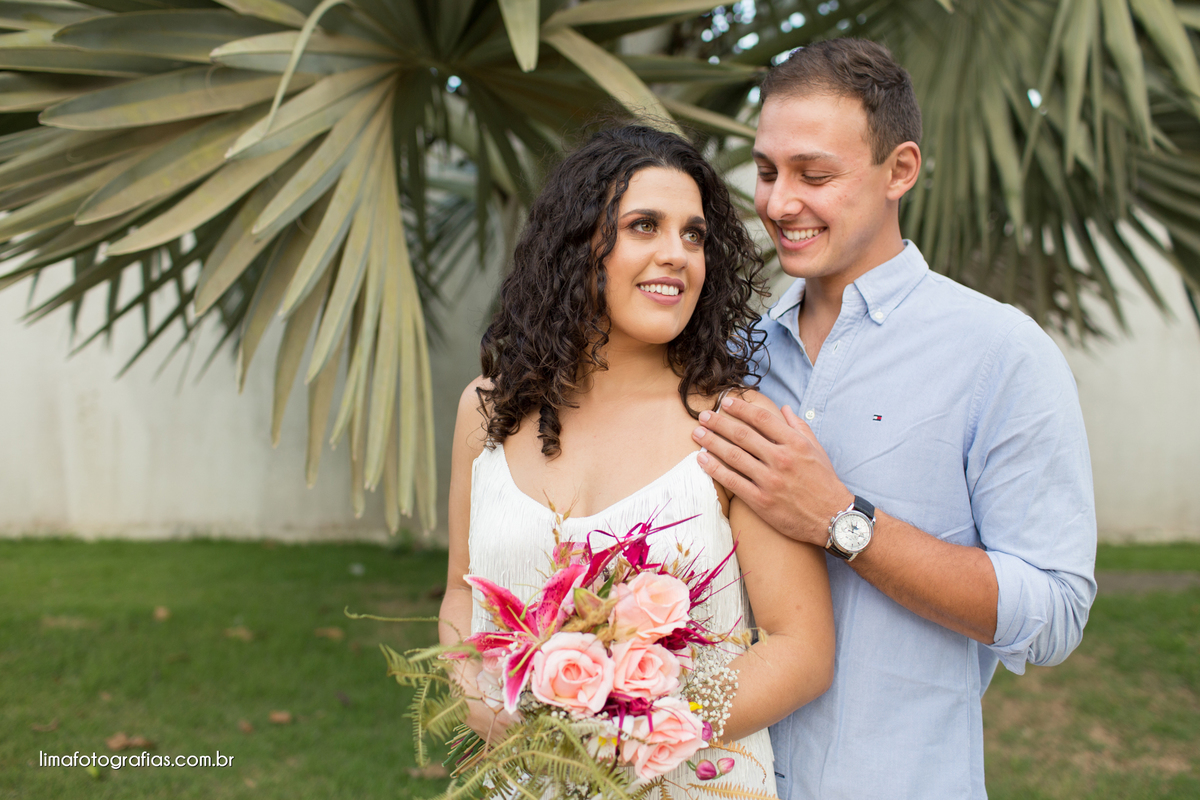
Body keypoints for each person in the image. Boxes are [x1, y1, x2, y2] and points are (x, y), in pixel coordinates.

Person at [690, 39, 1098, 799]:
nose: (780, 203)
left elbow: (1055, 616)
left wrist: (843, 520)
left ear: (899, 171)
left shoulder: (1001, 354)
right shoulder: (729, 361)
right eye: (769, 171)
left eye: (815, 175)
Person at [438, 125, 836, 795]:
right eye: (644, 225)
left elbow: (801, 650)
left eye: (694, 235)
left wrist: (631, 725)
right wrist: (482, 700)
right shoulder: (485, 411)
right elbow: (460, 592)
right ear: (577, 243)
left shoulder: (734, 426)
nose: (676, 254)